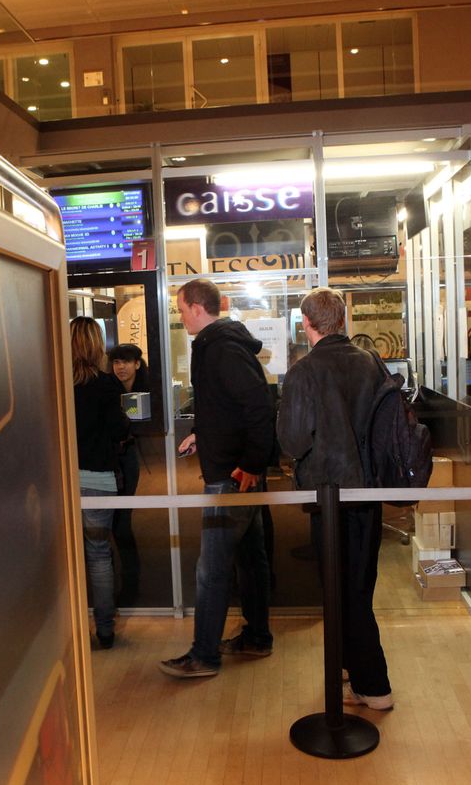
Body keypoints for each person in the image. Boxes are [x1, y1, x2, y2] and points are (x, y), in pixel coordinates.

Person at [277, 288, 393, 710]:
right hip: (369, 490)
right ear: (342, 320)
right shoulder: (371, 363)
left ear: (305, 324)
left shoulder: (304, 371)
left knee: (342, 591)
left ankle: (374, 684)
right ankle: (352, 672)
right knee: (360, 583)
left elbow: (292, 439)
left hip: (328, 495)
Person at [160, 279, 274, 678]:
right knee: (250, 558)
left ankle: (204, 655)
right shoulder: (218, 346)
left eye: (180, 309)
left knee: (211, 569)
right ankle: (257, 637)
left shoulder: (221, 348)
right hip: (235, 469)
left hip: (231, 476)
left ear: (195, 307)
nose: (180, 316)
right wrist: (201, 435)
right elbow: (228, 408)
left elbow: (260, 408)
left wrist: (253, 465)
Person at [71, 317, 130, 649]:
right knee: (98, 555)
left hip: (62, 480)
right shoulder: (106, 385)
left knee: (63, 557)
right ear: (96, 345)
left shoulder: (55, 382)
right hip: (98, 479)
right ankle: (104, 630)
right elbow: (119, 429)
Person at [107, 343, 148, 605]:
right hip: (109, 460)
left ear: (137, 364)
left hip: (129, 459)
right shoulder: (108, 390)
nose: (120, 367)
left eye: (125, 361)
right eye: (116, 362)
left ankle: (131, 581)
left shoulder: (148, 389)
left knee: (121, 523)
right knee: (111, 524)